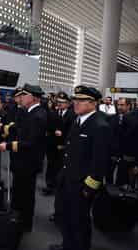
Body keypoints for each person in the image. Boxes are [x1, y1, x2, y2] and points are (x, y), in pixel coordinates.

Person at [50, 85, 111, 250]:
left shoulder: (99, 126)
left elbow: (100, 162)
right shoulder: (79, 121)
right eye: (75, 99)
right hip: (68, 179)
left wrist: (89, 188)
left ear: (93, 103)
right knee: (66, 217)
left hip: (81, 185)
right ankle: (67, 245)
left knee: (79, 223)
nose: (76, 103)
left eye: (81, 100)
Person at [0, 83, 47, 233]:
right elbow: (20, 130)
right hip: (22, 161)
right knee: (20, 192)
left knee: (25, 194)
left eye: (24, 95)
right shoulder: (30, 112)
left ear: (33, 97)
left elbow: (30, 142)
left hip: (28, 162)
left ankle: (23, 224)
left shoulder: (38, 115)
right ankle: (17, 220)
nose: (21, 98)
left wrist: (9, 145)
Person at [106, 98, 131, 185]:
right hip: (112, 153)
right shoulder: (111, 118)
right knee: (108, 177)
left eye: (122, 105)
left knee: (122, 179)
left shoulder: (134, 119)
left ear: (128, 106)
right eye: (118, 105)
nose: (119, 107)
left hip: (126, 155)